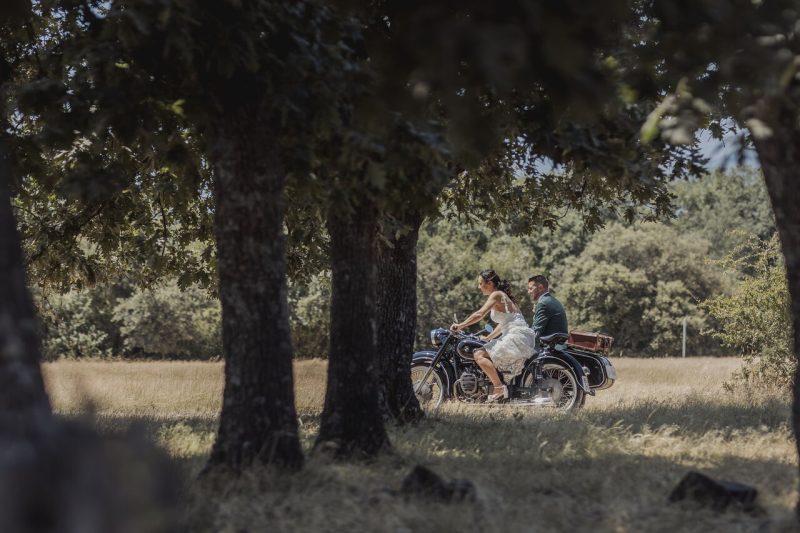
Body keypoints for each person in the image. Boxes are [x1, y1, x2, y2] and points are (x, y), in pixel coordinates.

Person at [450, 270, 537, 402]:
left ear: (489, 283)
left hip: (516, 336)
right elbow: (504, 324)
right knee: (485, 351)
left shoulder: (496, 295)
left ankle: (499, 387)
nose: (479, 287)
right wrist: (488, 337)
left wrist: (460, 325)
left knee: (479, 355)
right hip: (520, 335)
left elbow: (479, 314)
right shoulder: (503, 296)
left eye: (480, 283)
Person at [527, 275, 569, 344]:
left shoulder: (543, 303)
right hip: (557, 343)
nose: (529, 292)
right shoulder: (551, 300)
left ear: (540, 287)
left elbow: (535, 332)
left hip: (548, 345)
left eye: (531, 288)